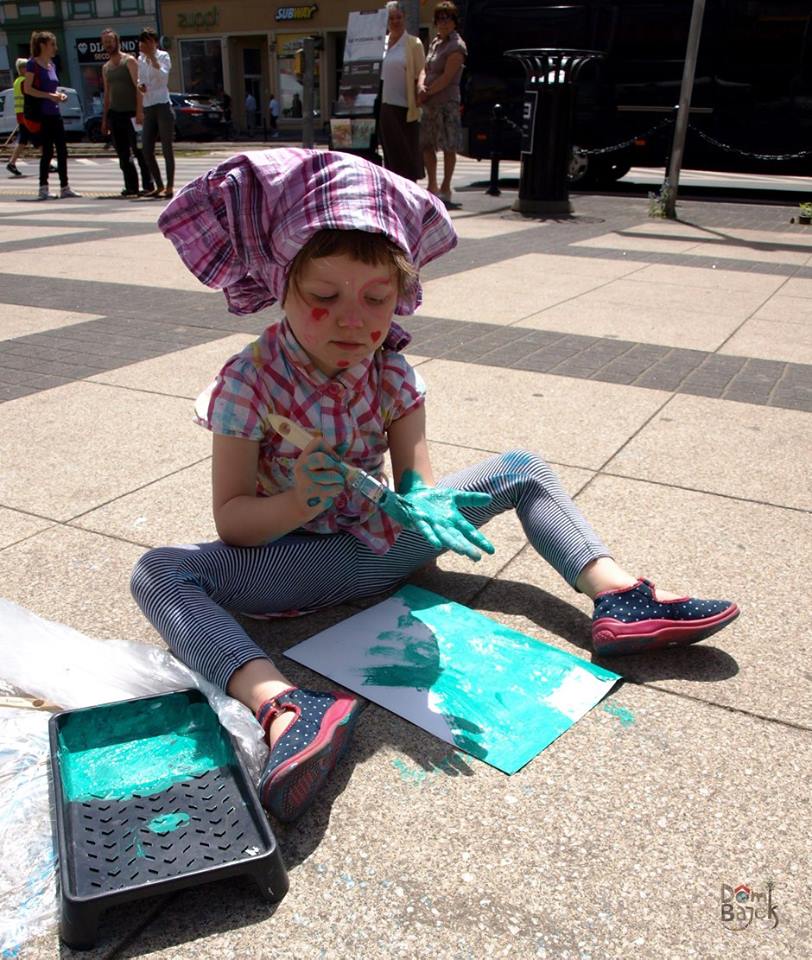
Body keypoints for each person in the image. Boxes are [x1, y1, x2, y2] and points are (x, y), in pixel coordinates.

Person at [131, 149, 740, 825]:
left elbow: (416, 479)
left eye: (376, 300)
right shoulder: (249, 382)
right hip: (300, 561)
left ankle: (619, 596)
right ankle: (284, 705)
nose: (352, 321)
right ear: (281, 283)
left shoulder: (391, 373)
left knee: (521, 466)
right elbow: (232, 523)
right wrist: (299, 501)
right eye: (323, 298)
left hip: (388, 545)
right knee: (159, 572)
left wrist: (424, 500)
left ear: (401, 295)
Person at [418, 1, 467, 204]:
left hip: (447, 102)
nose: (443, 23)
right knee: (427, 145)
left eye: (447, 19)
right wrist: (420, 85)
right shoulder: (435, 41)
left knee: (448, 145)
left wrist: (427, 93)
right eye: (440, 19)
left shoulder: (457, 45)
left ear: (455, 22)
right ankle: (432, 184)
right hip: (429, 102)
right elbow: (424, 68)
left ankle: (446, 186)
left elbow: (447, 77)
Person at [23, 31, 80, 200]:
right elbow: (28, 89)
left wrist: (59, 95)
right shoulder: (32, 64)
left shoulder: (51, 65)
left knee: (62, 150)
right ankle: (43, 187)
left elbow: (52, 88)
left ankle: (65, 186)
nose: (55, 48)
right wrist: (49, 95)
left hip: (55, 112)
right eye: (52, 44)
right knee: (47, 151)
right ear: (43, 45)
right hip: (42, 114)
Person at [100, 28, 154, 198]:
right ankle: (131, 186)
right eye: (105, 42)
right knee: (123, 153)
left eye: (110, 40)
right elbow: (107, 94)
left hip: (132, 113)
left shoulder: (129, 61)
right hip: (116, 115)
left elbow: (139, 88)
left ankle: (148, 184)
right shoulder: (106, 67)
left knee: (139, 150)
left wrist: (140, 112)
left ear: (117, 41)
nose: (108, 44)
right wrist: (104, 119)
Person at [379, 1, 426, 182]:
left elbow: (422, 70)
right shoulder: (380, 43)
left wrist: (421, 86)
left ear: (405, 18)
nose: (395, 21)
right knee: (390, 157)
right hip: (384, 107)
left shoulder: (414, 43)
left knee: (407, 158)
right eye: (391, 18)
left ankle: (410, 198)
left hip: (405, 108)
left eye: (398, 17)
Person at [137, 27, 175, 198]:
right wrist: (141, 85)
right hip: (149, 104)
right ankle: (158, 184)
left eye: (147, 42)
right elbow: (141, 79)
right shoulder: (140, 59)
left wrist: (152, 56)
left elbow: (163, 76)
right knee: (146, 148)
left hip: (162, 104)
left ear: (154, 42)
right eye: (142, 42)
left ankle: (169, 185)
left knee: (167, 147)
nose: (144, 45)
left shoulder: (163, 56)